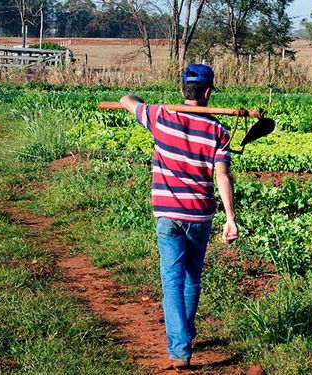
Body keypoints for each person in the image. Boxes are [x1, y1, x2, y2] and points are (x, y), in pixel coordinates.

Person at [119, 64, 238, 370]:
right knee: (191, 278)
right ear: (209, 93)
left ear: (182, 90)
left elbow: (125, 99)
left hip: (167, 213)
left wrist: (138, 100)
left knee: (173, 280)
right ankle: (183, 336)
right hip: (200, 214)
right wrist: (230, 218)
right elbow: (223, 176)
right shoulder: (218, 130)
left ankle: (180, 348)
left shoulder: (160, 116)